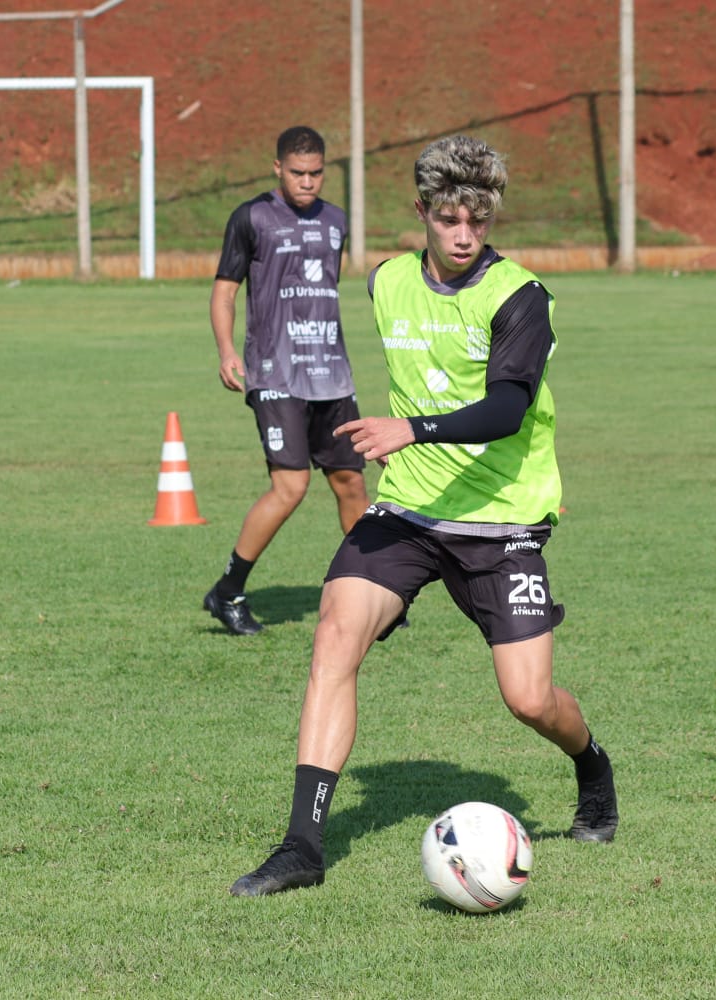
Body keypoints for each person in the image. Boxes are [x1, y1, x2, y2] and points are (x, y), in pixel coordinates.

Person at [230, 134, 618, 898]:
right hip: (408, 508)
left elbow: (508, 406)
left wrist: (413, 428)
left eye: (477, 219)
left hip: (501, 518)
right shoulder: (387, 283)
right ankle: (303, 846)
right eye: (448, 219)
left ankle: (592, 764)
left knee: (530, 699)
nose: (465, 234)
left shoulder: (520, 296)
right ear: (423, 215)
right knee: (335, 637)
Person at [203, 126, 369, 636]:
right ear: (277, 168)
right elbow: (226, 291)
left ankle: (371, 596)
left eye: (316, 173)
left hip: (332, 374)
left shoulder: (336, 221)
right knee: (291, 486)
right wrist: (228, 350)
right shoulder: (251, 217)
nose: (308, 182)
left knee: (351, 484)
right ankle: (228, 590)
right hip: (275, 372)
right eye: (298, 173)